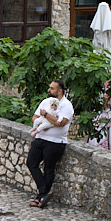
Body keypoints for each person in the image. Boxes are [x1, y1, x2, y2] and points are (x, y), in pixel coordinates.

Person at [26, 79, 74, 208]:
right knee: (31, 163)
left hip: (55, 142)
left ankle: (41, 197)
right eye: (49, 88)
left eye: (52, 88)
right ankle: (44, 192)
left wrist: (46, 115)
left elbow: (61, 123)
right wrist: (46, 120)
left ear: (60, 91)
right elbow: (35, 117)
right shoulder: (46, 101)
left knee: (49, 168)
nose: (49, 90)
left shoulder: (66, 105)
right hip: (40, 138)